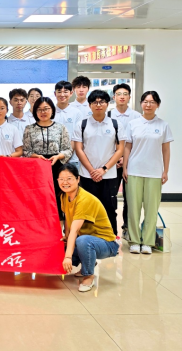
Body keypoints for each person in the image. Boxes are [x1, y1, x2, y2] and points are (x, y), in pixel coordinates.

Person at [123, 91, 173, 255]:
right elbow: (127, 147)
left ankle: (148, 242)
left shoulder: (163, 125)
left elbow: (166, 150)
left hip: (154, 172)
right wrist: (125, 167)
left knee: (151, 209)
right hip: (134, 170)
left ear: (157, 105)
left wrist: (165, 170)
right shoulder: (133, 124)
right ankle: (134, 241)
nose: (148, 105)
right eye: (145, 101)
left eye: (152, 102)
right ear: (141, 104)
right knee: (133, 208)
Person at [59, 164, 119, 293]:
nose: (65, 182)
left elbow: (75, 230)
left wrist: (68, 257)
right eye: (61, 179)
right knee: (61, 244)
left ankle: (88, 275)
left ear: (78, 179)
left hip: (106, 243)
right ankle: (89, 262)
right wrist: (66, 236)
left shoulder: (84, 199)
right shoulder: (64, 196)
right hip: (88, 240)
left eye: (69, 179)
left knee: (82, 241)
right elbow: (68, 219)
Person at [73, 90, 126, 235]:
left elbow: (120, 150)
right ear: (89, 105)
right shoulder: (82, 124)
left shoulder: (116, 124)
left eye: (102, 102)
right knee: (88, 209)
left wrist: (103, 169)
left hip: (109, 175)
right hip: (87, 175)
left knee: (109, 208)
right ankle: (88, 238)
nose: (98, 105)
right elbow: (79, 149)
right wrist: (92, 170)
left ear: (107, 104)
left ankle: (111, 238)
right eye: (94, 102)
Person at [22, 97, 73, 214]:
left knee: (58, 198)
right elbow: (26, 151)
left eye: (46, 109)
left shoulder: (60, 127)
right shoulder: (29, 129)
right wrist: (36, 156)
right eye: (39, 109)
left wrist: (58, 156)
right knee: (38, 198)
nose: (43, 112)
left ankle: (59, 224)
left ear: (52, 110)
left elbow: (68, 150)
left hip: (57, 166)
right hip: (36, 168)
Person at [110, 83, 141, 239]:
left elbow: (137, 140)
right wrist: (117, 158)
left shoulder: (137, 116)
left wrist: (126, 159)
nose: (122, 97)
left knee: (131, 197)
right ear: (114, 97)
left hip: (132, 162)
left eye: (125, 94)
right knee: (111, 196)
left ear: (129, 96)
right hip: (113, 163)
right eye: (118, 94)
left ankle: (128, 228)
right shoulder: (108, 115)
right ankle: (110, 228)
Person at [52, 81, 83, 168]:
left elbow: (76, 137)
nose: (62, 95)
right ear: (55, 94)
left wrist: (66, 156)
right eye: (59, 92)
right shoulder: (50, 112)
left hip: (72, 159)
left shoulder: (77, 113)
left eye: (65, 92)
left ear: (71, 93)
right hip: (52, 158)